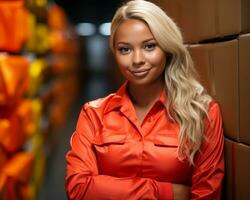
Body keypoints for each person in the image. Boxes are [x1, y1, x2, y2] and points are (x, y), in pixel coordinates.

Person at [65, 0, 224, 199]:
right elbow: (79, 189)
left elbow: (206, 195)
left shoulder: (202, 113)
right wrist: (167, 192)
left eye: (149, 46)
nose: (137, 60)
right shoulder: (94, 114)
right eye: (125, 49)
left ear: (167, 48)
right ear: (114, 53)